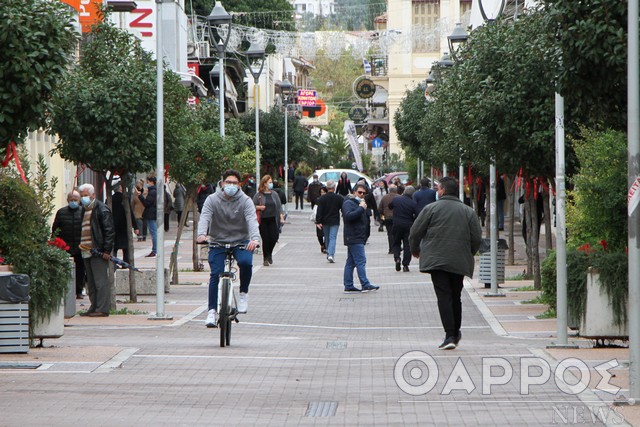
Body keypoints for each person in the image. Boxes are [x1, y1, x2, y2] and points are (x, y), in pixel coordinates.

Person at [409, 177, 482, 350]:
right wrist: (468, 252)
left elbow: (415, 232)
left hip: (437, 260)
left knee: (444, 296)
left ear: (442, 191)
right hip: (459, 260)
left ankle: (450, 335)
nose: (436, 191)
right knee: (455, 295)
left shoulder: (431, 209)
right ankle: (455, 333)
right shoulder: (468, 211)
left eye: (438, 189)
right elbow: (477, 238)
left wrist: (415, 250)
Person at [197, 169, 261, 327]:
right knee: (214, 274)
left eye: (234, 183)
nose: (231, 185)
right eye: (228, 182)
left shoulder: (245, 201)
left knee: (246, 263)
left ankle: (243, 293)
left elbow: (252, 220)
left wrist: (254, 239)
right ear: (222, 183)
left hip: (240, 241)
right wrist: (201, 235)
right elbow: (205, 216)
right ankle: (211, 311)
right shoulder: (212, 199)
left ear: (239, 185)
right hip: (218, 241)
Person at [78, 183, 115, 317]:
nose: (83, 198)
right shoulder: (84, 209)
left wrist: (106, 250)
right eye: (81, 196)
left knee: (100, 281)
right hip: (86, 250)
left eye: (86, 195)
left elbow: (109, 231)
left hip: (97, 251)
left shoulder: (101, 209)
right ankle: (93, 306)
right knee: (91, 282)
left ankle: (102, 308)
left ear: (93, 195)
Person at [341, 183, 379, 293]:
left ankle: (348, 285)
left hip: (358, 236)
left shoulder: (360, 203)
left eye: (364, 193)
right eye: (360, 192)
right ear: (354, 192)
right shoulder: (349, 203)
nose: (362, 195)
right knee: (361, 260)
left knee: (351, 262)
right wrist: (361, 208)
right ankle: (365, 284)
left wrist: (363, 207)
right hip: (353, 236)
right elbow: (348, 216)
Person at [51, 190, 86, 299]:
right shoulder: (61, 212)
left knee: (80, 271)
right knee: (65, 270)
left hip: (80, 247)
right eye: (71, 200)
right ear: (67, 200)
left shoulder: (83, 212)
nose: (73, 202)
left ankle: (79, 291)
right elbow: (55, 229)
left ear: (79, 200)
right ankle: (66, 290)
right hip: (66, 247)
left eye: (75, 200)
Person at [253, 175, 284, 266]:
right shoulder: (258, 195)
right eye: (269, 182)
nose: (271, 184)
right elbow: (251, 206)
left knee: (274, 238)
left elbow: (279, 207)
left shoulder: (274, 194)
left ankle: (270, 253)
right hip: (263, 220)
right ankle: (265, 258)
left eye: (271, 182)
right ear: (264, 183)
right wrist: (259, 207)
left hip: (273, 219)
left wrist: (281, 217)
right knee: (265, 239)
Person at [389, 185, 418, 272]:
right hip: (408, 225)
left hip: (397, 224)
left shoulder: (396, 199)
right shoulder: (413, 203)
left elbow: (390, 206)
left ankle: (397, 258)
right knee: (407, 245)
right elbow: (415, 215)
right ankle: (405, 264)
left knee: (396, 242)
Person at [315, 179, 344, 263]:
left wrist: (318, 221)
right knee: (332, 237)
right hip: (334, 221)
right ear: (334, 187)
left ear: (327, 188)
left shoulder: (322, 199)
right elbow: (343, 208)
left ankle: (329, 253)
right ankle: (331, 254)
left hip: (325, 221)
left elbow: (319, 211)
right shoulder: (339, 198)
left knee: (327, 237)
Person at [111, 183, 138, 264]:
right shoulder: (125, 199)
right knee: (125, 247)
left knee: (114, 247)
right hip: (124, 226)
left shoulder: (110, 198)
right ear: (120, 189)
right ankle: (126, 263)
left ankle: (113, 263)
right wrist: (135, 226)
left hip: (113, 226)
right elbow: (130, 214)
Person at [137, 176, 158, 258]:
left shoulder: (152, 192)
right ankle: (155, 249)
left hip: (151, 214)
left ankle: (155, 250)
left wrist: (140, 196)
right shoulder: (154, 190)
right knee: (154, 232)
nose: (147, 183)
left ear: (152, 182)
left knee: (154, 232)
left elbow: (146, 203)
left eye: (148, 182)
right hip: (153, 213)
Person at [378, 184, 400, 254]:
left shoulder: (384, 197)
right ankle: (397, 248)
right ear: (396, 190)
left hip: (387, 218)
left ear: (389, 190)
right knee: (397, 234)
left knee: (390, 233)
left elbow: (380, 208)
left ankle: (391, 249)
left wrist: (382, 215)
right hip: (397, 218)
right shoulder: (399, 197)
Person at [311, 186, 328, 253]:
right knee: (319, 235)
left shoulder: (328, 200)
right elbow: (315, 209)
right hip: (319, 219)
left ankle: (325, 246)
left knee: (327, 234)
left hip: (326, 219)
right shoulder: (318, 200)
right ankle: (322, 244)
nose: (322, 193)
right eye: (321, 192)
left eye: (324, 192)